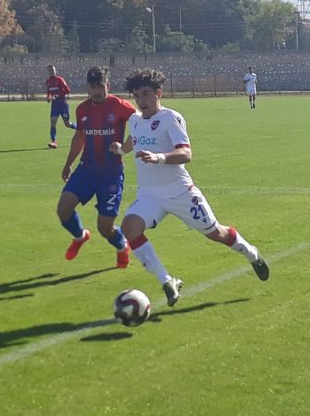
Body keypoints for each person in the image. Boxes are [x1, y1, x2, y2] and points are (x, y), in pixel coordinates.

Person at [110, 68, 270, 307]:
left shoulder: (171, 118)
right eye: (137, 95)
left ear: (158, 93)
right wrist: (122, 150)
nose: (141, 101)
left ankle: (251, 253)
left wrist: (159, 157)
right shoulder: (134, 120)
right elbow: (135, 139)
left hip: (180, 192)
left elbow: (186, 153)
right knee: (129, 227)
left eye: (145, 94)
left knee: (216, 233)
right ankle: (168, 280)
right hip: (150, 195)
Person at [57, 66, 137, 269]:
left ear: (107, 85)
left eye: (100, 87)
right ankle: (80, 235)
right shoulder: (82, 109)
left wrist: (124, 149)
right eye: (93, 88)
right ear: (88, 88)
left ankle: (121, 246)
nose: (97, 92)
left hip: (111, 175)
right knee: (63, 208)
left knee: (105, 228)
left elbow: (140, 125)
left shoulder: (119, 106)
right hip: (86, 170)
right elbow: (80, 136)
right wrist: (68, 164)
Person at [45, 65, 78, 148]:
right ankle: (54, 142)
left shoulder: (60, 80)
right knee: (53, 123)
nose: (51, 71)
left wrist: (58, 95)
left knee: (67, 124)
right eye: (49, 70)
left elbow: (67, 90)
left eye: (52, 70)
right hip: (55, 106)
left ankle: (81, 127)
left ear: (55, 70)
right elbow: (49, 91)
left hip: (63, 104)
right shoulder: (48, 81)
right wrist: (48, 97)